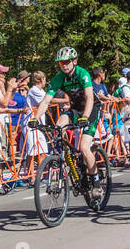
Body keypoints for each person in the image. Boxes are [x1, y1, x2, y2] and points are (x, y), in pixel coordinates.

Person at [33, 47, 102, 185]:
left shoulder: (82, 74)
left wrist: (86, 117)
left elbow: (89, 97)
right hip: (76, 109)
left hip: (91, 108)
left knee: (84, 147)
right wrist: (34, 118)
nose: (64, 65)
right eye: (61, 63)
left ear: (74, 61)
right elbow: (46, 100)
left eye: (66, 62)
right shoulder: (59, 78)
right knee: (58, 127)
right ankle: (67, 157)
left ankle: (96, 183)